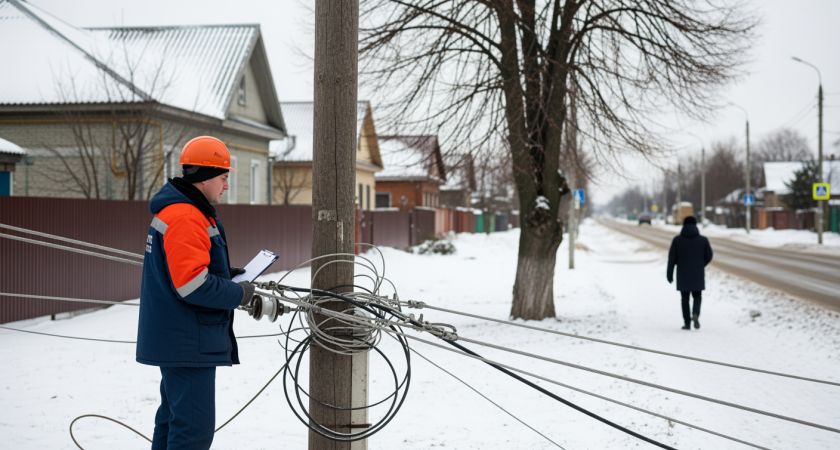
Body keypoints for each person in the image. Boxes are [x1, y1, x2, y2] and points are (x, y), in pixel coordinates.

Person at [137, 136, 256, 450]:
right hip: (187, 341)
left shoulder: (186, 211)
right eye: (223, 178)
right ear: (205, 176)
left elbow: (186, 271)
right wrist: (238, 294)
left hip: (180, 338)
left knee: (173, 421)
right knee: (193, 431)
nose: (226, 186)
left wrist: (226, 277)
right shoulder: (187, 217)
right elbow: (192, 286)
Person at [667, 216, 713, 330]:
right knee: (697, 296)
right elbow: (709, 255)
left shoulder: (677, 240)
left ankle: (687, 323)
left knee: (685, 298)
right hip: (698, 273)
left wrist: (669, 273)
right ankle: (695, 314)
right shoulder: (703, 240)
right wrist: (701, 264)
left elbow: (672, 258)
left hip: (683, 274)